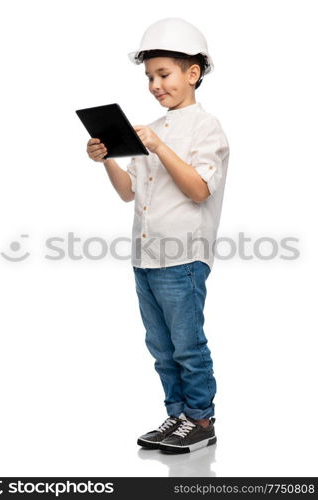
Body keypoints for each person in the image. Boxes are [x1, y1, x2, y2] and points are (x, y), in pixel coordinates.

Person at [86, 17, 230, 454]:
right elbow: (129, 193)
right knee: (161, 347)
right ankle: (177, 416)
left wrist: (160, 148)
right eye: (149, 77)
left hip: (183, 256)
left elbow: (199, 190)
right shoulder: (151, 128)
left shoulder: (206, 128)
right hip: (145, 258)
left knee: (188, 345)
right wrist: (108, 159)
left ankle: (201, 420)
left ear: (193, 73)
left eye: (163, 74)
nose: (154, 85)